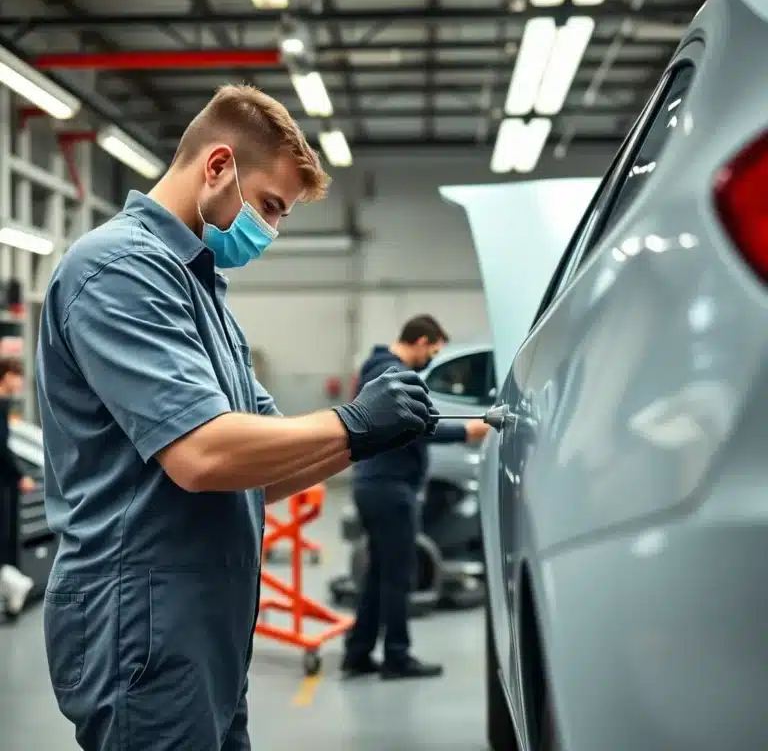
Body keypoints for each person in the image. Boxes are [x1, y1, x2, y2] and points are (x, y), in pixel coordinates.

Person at [36, 85, 438, 751]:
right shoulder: (118, 269)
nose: (271, 232)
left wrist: (372, 437)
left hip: (203, 622)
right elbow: (202, 456)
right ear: (217, 166)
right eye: (270, 207)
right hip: (144, 621)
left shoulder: (202, 294)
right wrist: (352, 423)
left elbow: (262, 467)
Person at [341, 315, 489, 680]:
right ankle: (397, 656)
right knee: (398, 575)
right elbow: (416, 426)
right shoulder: (394, 373)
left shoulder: (376, 368)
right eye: (433, 351)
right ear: (422, 341)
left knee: (378, 574)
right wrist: (467, 430)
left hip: (375, 485)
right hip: (390, 488)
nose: (431, 359)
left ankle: (358, 652)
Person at [0, 356, 36, 619]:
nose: (20, 382)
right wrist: (20, 474)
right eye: (16, 376)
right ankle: (14, 585)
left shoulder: (6, 405)